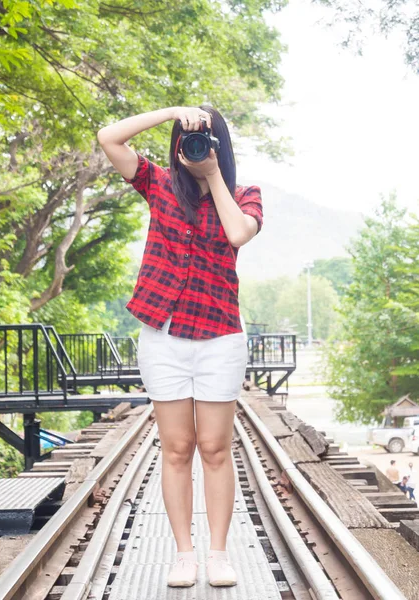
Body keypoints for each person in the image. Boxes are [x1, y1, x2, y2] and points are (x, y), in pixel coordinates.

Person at [97, 106, 263, 588]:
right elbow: (108, 137)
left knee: (214, 448)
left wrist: (212, 177)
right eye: (188, 138)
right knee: (176, 449)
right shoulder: (158, 185)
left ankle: (217, 554)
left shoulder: (243, 195)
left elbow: (237, 233)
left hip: (220, 338)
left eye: (206, 139)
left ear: (220, 146)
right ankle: (183, 554)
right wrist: (174, 112)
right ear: (176, 144)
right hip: (163, 337)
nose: (195, 145)